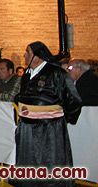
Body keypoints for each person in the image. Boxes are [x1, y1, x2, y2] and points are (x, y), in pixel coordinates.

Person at [14, 41, 81, 187]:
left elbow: (73, 99)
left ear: (38, 56)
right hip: (27, 129)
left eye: (28, 52)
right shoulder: (26, 75)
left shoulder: (56, 73)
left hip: (49, 130)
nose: (25, 55)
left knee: (50, 165)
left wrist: (60, 119)